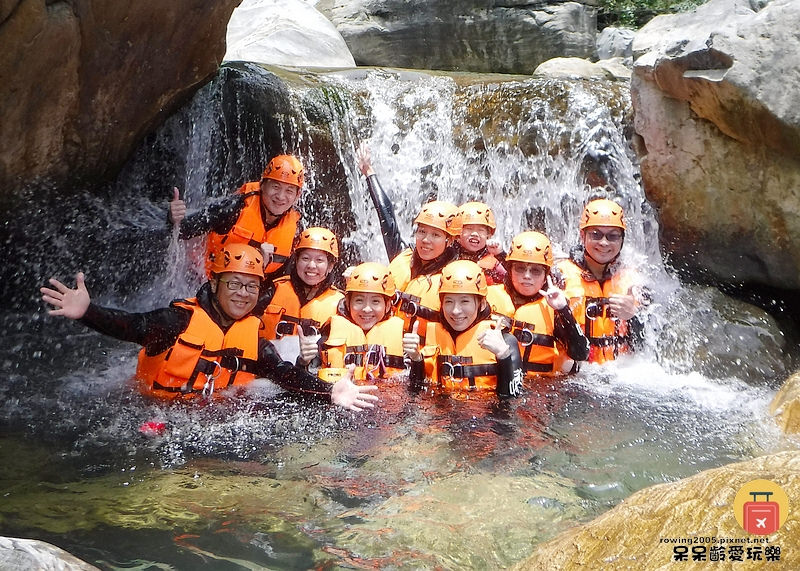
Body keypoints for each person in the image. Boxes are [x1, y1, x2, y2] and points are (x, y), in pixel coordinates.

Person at [40, 243, 377, 410]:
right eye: (234, 284)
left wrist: (330, 391)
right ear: (214, 284)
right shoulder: (179, 320)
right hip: (148, 407)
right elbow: (132, 326)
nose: (243, 294)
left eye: (251, 286)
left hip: (206, 414)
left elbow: (284, 374)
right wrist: (88, 311)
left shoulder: (252, 339)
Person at [356, 146, 460, 341]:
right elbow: (386, 216)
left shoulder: (455, 277)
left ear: (450, 240)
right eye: (422, 232)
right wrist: (369, 172)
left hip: (424, 355)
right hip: (386, 349)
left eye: (436, 235)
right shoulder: (401, 255)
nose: (426, 240)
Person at [168, 154, 305, 278]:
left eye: (289, 190)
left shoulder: (296, 227)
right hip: (205, 281)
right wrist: (174, 219)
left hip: (249, 292)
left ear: (297, 196)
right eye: (275, 187)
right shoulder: (234, 207)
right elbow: (184, 230)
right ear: (262, 185)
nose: (281, 196)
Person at [405, 260, 523, 398]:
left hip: (485, 417)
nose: (455, 311)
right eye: (449, 301)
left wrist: (504, 357)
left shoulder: (506, 341)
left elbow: (512, 402)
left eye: (464, 301)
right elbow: (416, 394)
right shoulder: (431, 335)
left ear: (482, 303)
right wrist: (416, 360)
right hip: (440, 415)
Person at [556, 198, 647, 364]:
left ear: (622, 240)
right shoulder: (559, 275)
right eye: (596, 234)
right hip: (575, 374)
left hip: (621, 373)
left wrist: (633, 316)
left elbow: (647, 349)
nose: (604, 243)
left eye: (613, 236)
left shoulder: (634, 281)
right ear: (582, 235)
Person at [486, 231, 589, 376]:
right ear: (509, 269)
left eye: (535, 271)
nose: (527, 276)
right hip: (494, 385)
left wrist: (564, 311)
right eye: (520, 268)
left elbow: (581, 353)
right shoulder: (487, 298)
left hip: (539, 388)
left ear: (546, 275)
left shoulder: (555, 308)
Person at [298, 262, 407, 383]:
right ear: (348, 303)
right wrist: (303, 362)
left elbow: (414, 384)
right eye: (359, 300)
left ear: (387, 305)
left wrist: (417, 360)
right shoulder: (328, 335)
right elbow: (305, 383)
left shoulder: (402, 339)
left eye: (375, 301)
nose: (366, 309)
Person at [261, 227, 344, 341]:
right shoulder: (274, 289)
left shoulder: (341, 303)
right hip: (270, 357)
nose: (311, 265)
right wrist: (261, 268)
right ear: (296, 260)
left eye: (319, 260)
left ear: (330, 266)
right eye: (305, 258)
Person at [455, 201, 506, 285]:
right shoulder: (450, 255)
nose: (475, 234)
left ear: (488, 235)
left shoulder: (494, 262)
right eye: (469, 228)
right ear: (458, 233)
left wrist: (500, 254)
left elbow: (512, 280)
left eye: (480, 230)